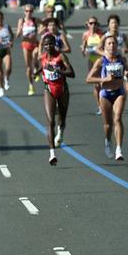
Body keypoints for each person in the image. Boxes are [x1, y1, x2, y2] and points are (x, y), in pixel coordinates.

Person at [86, 35, 128, 161]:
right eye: (109, 43)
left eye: (114, 43)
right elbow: (88, 79)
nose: (112, 46)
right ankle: (108, 140)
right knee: (108, 124)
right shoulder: (101, 61)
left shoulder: (122, 59)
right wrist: (104, 79)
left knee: (118, 118)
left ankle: (119, 149)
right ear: (104, 47)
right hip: (105, 93)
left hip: (119, 92)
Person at [38, 34, 75, 165]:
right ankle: (52, 153)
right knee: (50, 121)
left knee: (61, 119)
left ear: (55, 44)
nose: (48, 47)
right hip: (49, 89)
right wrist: (36, 73)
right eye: (46, 45)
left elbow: (72, 73)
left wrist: (59, 71)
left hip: (62, 89)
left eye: (51, 44)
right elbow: (40, 68)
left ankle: (61, 131)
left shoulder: (60, 56)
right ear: (43, 46)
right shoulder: (42, 57)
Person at [81, 16, 104, 114]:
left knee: (103, 83)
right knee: (96, 85)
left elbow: (104, 46)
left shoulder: (101, 34)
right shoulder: (86, 35)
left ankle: (105, 103)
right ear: (88, 24)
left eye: (95, 23)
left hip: (101, 60)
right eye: (91, 23)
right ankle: (99, 106)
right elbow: (84, 49)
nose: (93, 25)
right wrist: (84, 50)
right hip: (92, 60)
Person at [16, 4, 39, 95]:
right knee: (28, 66)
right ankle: (31, 85)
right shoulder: (21, 20)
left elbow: (43, 26)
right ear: (24, 12)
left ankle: (36, 69)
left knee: (35, 55)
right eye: (26, 11)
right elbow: (17, 35)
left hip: (35, 43)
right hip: (26, 44)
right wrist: (19, 30)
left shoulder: (35, 20)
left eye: (30, 11)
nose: (28, 13)